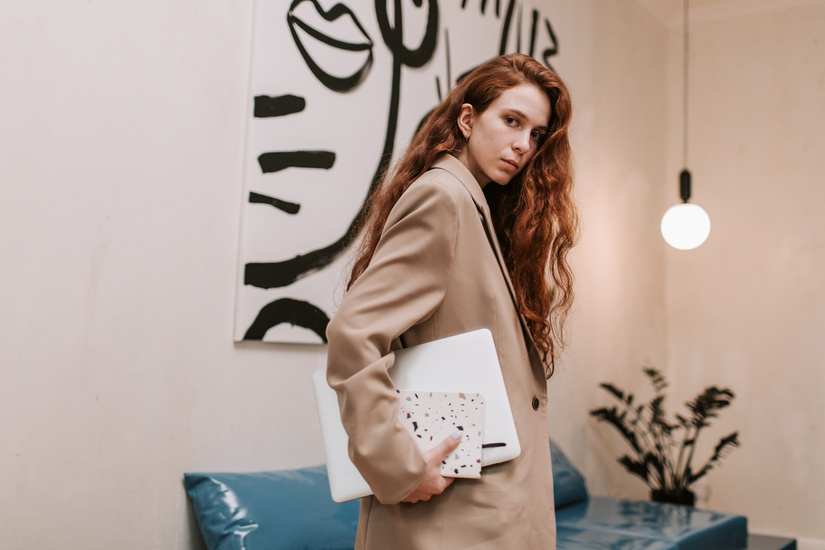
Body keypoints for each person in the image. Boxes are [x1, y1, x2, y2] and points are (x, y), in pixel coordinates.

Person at [325, 53, 577, 549]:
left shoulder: (475, 206)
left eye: (536, 134)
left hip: (476, 511)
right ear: (467, 119)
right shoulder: (445, 198)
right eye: (511, 121)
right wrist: (398, 465)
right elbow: (354, 334)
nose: (523, 145)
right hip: (452, 518)